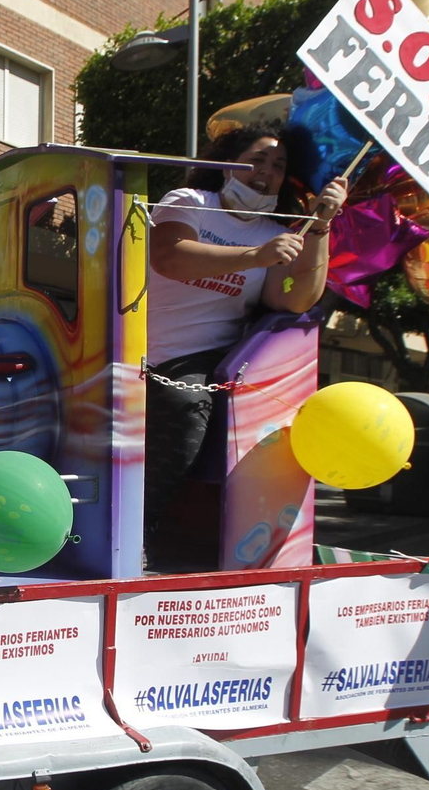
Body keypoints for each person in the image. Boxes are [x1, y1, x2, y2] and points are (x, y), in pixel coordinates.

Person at [142, 121, 347, 567]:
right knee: (183, 412)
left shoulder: (273, 232)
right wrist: (256, 256)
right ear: (225, 163)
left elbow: (291, 298)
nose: (265, 171)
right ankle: (137, 534)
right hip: (147, 357)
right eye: (256, 159)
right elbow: (169, 257)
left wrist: (321, 226)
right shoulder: (190, 202)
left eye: (277, 165)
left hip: (214, 362)